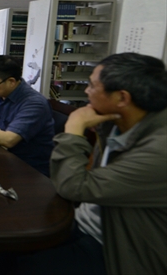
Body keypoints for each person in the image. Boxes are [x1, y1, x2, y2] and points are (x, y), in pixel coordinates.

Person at [15, 53, 167, 275]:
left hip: (117, 249)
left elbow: (74, 186)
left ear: (122, 98)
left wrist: (74, 129)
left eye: (93, 86)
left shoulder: (159, 151)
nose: (86, 91)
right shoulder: (116, 121)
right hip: (82, 222)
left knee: (20, 266)